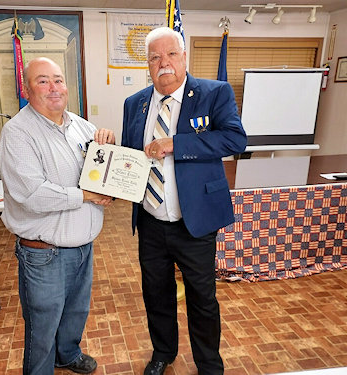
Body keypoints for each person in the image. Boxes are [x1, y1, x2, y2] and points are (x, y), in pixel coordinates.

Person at [121, 27, 247, 375]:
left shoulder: (213, 93)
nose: (164, 63)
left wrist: (176, 143)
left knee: (202, 299)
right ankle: (163, 353)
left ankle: (209, 364)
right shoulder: (135, 104)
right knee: (156, 294)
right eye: (155, 57)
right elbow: (131, 158)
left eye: (171, 54)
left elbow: (235, 140)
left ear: (184, 57)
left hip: (195, 223)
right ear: (147, 64)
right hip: (149, 221)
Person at [0, 57, 115, 375]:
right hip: (43, 253)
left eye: (58, 80)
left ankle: (68, 354)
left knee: (76, 312)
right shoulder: (17, 133)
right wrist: (87, 195)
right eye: (43, 81)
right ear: (26, 89)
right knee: (43, 324)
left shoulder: (83, 127)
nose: (54, 88)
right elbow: (33, 195)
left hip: (83, 245)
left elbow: (102, 174)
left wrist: (110, 154)